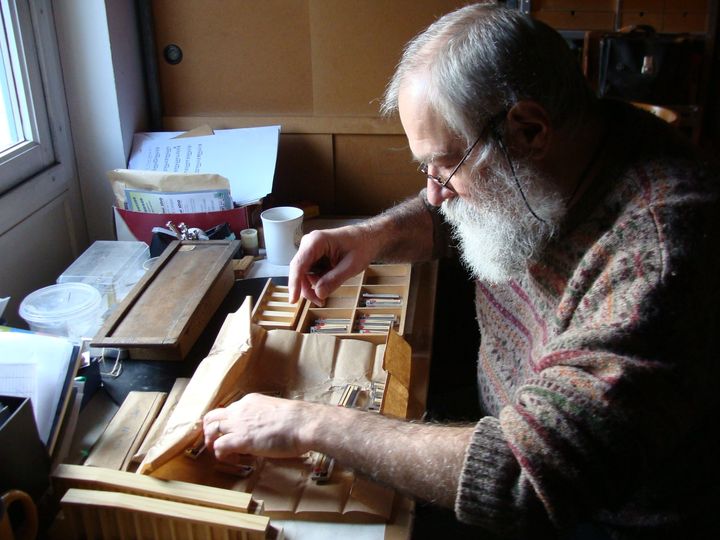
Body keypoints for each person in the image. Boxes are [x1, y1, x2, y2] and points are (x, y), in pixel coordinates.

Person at [204, 3, 720, 538]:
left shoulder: (658, 257)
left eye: (444, 164)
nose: (433, 191)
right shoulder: (576, 141)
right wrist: (370, 236)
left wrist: (307, 424)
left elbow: (531, 477)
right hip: (505, 421)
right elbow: (460, 208)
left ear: (528, 130)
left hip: (602, 514)